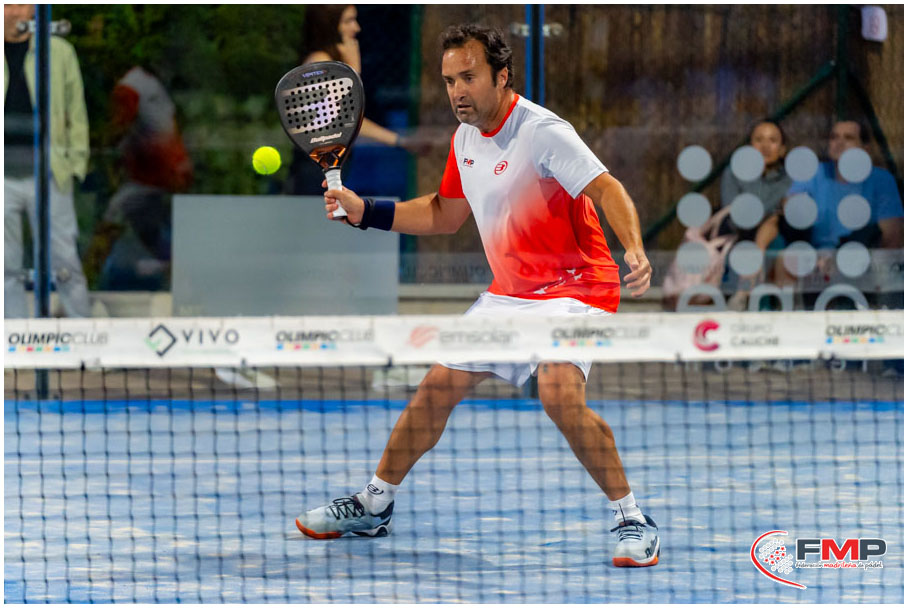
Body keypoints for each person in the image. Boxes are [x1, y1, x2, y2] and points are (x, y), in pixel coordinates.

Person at [294, 24, 660, 568]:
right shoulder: (464, 139)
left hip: (576, 287)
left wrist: (633, 246)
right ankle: (375, 503)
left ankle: (632, 518)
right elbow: (445, 214)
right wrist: (365, 210)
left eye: (468, 77)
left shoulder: (543, 132)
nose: (457, 92)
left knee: (558, 391)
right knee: (435, 388)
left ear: (501, 75)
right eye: (449, 81)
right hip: (510, 294)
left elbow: (607, 188)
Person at [4, 3, 91, 318]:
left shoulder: (58, 52)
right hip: (3, 178)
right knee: (5, 266)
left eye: (24, 3)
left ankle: (82, 336)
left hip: (50, 173)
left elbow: (76, 112)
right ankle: (12, 338)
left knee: (65, 261)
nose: (17, 11)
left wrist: (75, 164)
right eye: (9, 3)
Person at [286, 4, 419, 195]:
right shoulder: (318, 63)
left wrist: (402, 141)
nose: (356, 27)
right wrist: (354, 71)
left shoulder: (332, 60)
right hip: (315, 171)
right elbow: (343, 119)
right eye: (348, 21)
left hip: (331, 166)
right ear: (329, 24)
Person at [87, 65, 193, 291]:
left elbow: (119, 128)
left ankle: (84, 281)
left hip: (153, 173)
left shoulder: (128, 88)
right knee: (150, 231)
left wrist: (93, 145)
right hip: (173, 168)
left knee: (111, 220)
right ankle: (186, 284)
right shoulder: (149, 83)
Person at [772, 119, 903, 298]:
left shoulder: (881, 180)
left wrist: (849, 262)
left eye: (849, 138)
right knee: (785, 258)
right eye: (834, 137)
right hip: (816, 259)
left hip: (863, 260)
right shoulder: (815, 173)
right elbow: (791, 208)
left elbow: (892, 235)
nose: (839, 142)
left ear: (865, 148)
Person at [718, 120, 792, 309]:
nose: (765, 146)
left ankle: (748, 294)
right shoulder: (734, 174)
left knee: (776, 240)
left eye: (772, 140)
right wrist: (773, 210)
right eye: (759, 140)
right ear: (749, 146)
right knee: (770, 229)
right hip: (741, 238)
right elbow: (735, 217)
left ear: (782, 149)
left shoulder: (789, 179)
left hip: (780, 239)